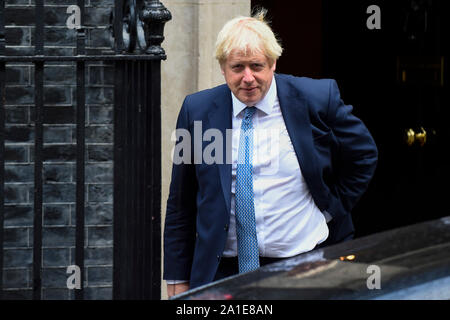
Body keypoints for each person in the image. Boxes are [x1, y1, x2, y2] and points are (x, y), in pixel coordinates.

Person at [164, 9, 378, 298]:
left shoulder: (316, 98)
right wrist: (177, 277)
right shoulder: (196, 111)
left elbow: (363, 155)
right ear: (223, 68)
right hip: (221, 273)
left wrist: (330, 209)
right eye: (238, 67)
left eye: (257, 65)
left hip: (303, 266)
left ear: (273, 63)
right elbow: (180, 202)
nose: (248, 78)